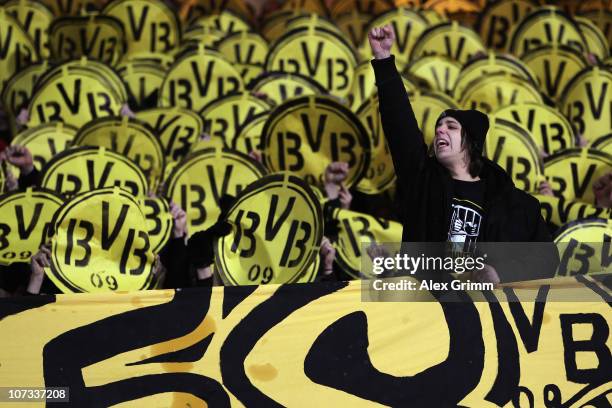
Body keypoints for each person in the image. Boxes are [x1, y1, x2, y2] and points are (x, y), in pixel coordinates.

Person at [368, 25, 559, 283]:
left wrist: (499, 273)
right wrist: (384, 61)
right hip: (428, 311)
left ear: (471, 142)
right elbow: (400, 127)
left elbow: (546, 257)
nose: (439, 131)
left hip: (487, 315)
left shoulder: (515, 204)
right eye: (438, 127)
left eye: (451, 127)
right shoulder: (423, 182)